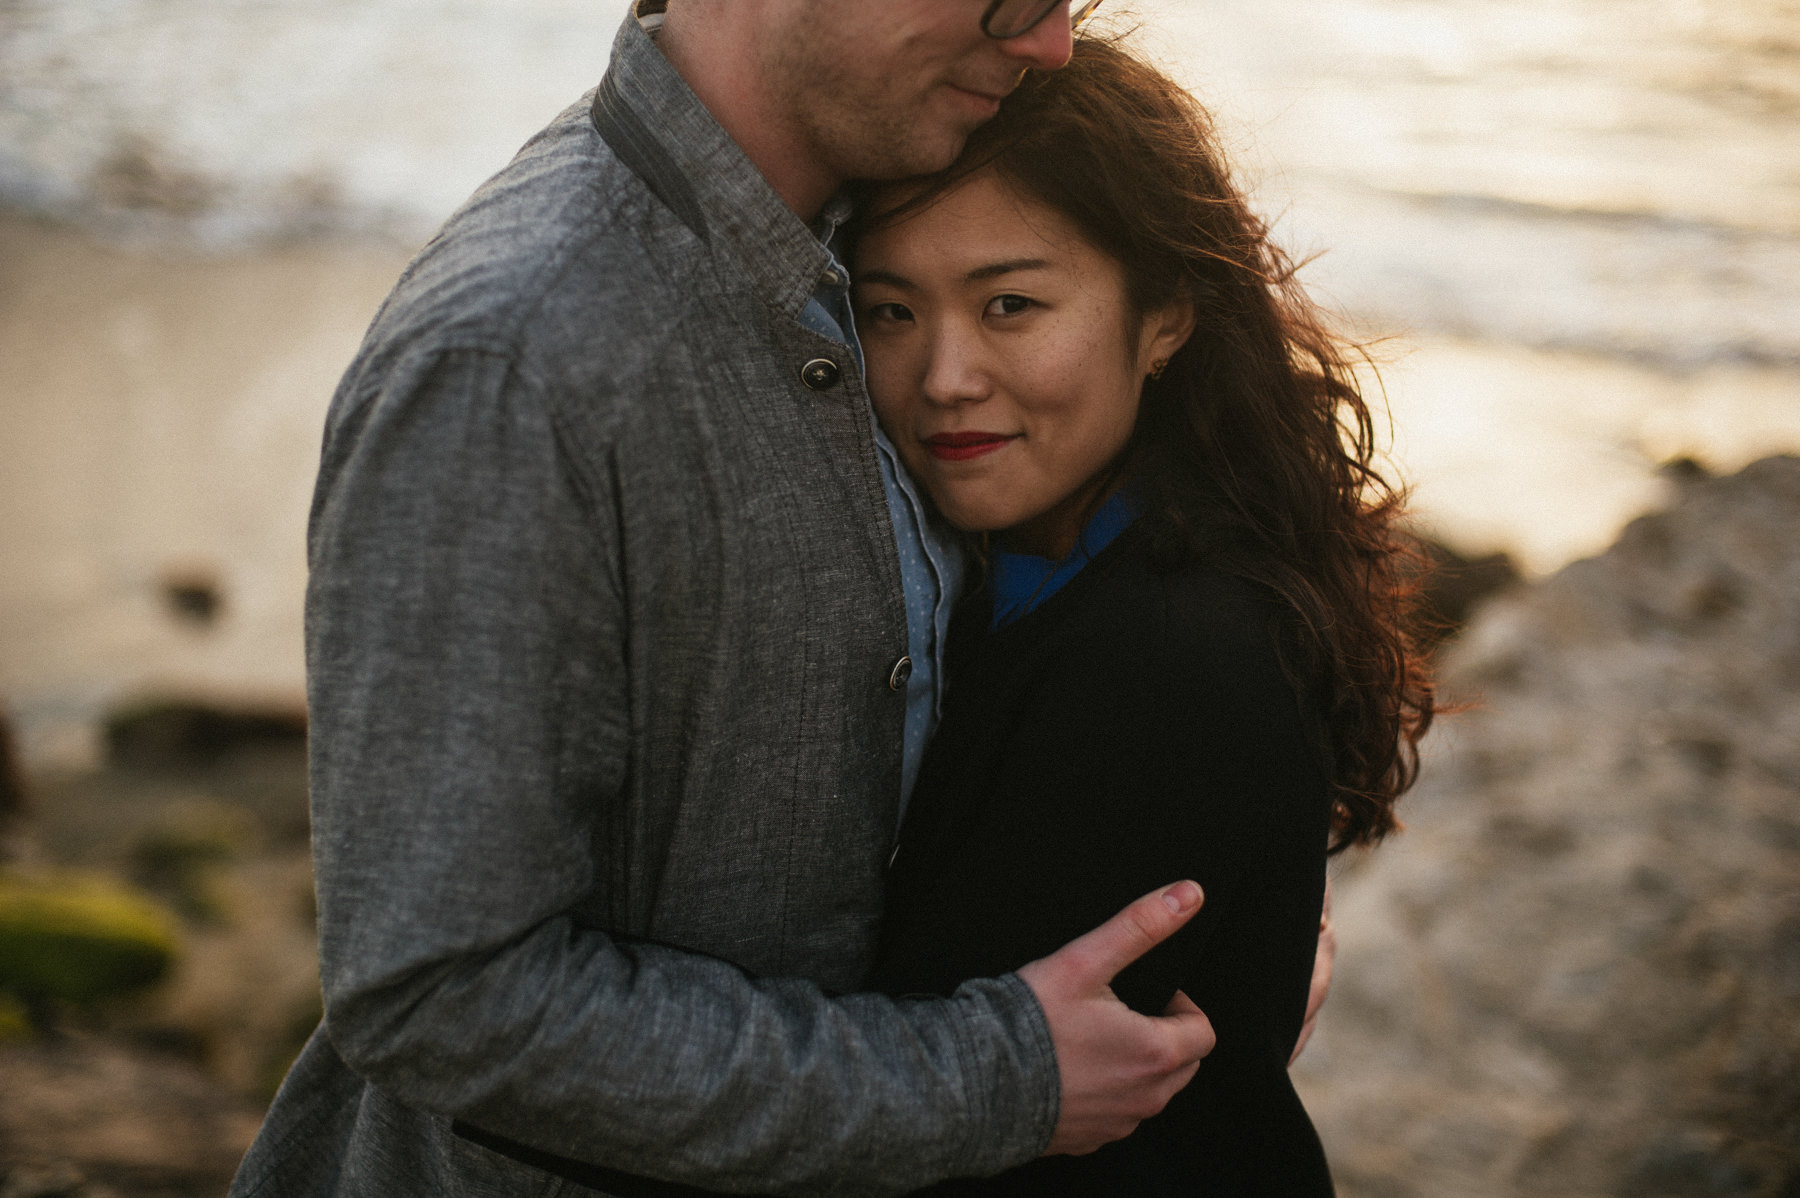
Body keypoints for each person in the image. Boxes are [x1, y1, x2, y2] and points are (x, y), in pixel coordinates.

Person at [227, 3, 1291, 1196]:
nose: (1046, 41)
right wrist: (985, 1080)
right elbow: (439, 995)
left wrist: (1238, 902)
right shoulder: (514, 365)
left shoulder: (877, 212)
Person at [849, 37, 1435, 1194]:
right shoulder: (1061, 554)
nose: (944, 375)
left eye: (1012, 303)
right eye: (889, 311)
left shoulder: (1167, 659)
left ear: (1166, 315)